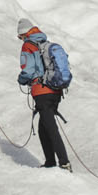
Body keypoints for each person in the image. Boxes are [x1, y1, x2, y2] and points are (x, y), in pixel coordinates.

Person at [17, 22, 72, 170]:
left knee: (51, 128)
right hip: (55, 91)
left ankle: (63, 162)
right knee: (43, 128)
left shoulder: (28, 45)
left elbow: (28, 70)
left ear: (24, 34)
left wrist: (21, 79)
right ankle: (50, 162)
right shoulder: (45, 43)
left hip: (42, 92)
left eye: (19, 36)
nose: (20, 39)